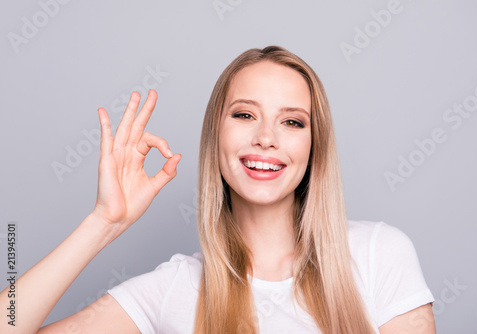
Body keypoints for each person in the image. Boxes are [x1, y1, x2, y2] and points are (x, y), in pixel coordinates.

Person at [0, 46, 436, 334]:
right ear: (216, 137)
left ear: (314, 146)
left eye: (292, 121)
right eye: (245, 115)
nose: (266, 137)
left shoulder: (380, 254)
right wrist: (102, 224)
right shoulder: (174, 288)